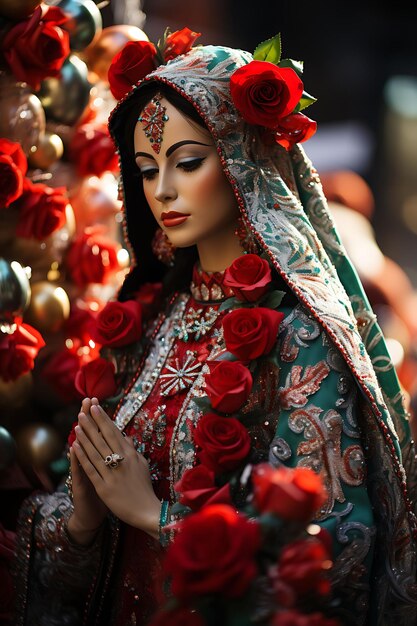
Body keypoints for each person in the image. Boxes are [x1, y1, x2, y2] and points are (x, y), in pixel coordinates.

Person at [14, 37, 417, 626]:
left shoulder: (299, 335)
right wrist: (80, 523)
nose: (163, 192)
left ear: (242, 157)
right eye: (148, 170)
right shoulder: (149, 316)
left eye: (187, 162)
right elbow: (85, 524)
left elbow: (335, 550)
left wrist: (157, 518)